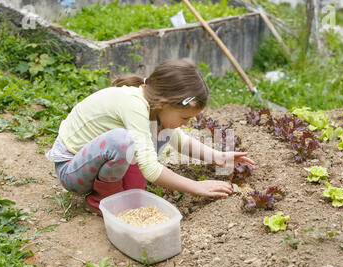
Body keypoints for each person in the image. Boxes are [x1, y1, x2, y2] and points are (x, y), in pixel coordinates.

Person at [46, 59, 255, 215]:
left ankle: (126, 196)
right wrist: (196, 187)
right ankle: (101, 200)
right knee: (122, 142)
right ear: (164, 103)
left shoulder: (154, 107)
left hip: (94, 165)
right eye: (184, 117)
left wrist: (218, 157)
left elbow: (179, 140)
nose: (186, 123)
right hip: (72, 170)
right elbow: (149, 167)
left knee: (159, 134)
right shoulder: (132, 103)